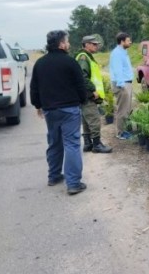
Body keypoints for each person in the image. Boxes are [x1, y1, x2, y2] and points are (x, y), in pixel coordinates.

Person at [30, 30, 87, 195]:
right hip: (70, 109)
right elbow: (80, 86)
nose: (68, 44)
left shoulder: (40, 63)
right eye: (67, 41)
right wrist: (82, 101)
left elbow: (34, 88)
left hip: (50, 110)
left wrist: (37, 105)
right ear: (61, 44)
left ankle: (54, 176)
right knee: (72, 144)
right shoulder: (70, 62)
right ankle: (73, 183)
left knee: (54, 142)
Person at [76, 35, 112, 153]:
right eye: (94, 44)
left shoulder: (85, 56)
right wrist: (92, 90)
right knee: (94, 119)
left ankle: (88, 144)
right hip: (88, 94)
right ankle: (97, 145)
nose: (96, 46)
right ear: (86, 45)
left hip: (84, 94)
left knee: (86, 119)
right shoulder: (83, 57)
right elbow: (82, 76)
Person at [109, 32, 134, 140]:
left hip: (126, 82)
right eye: (128, 40)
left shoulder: (123, 52)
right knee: (122, 109)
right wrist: (121, 85)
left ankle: (125, 130)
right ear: (122, 41)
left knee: (127, 109)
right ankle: (120, 132)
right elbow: (117, 69)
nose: (130, 42)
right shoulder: (117, 53)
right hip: (121, 84)